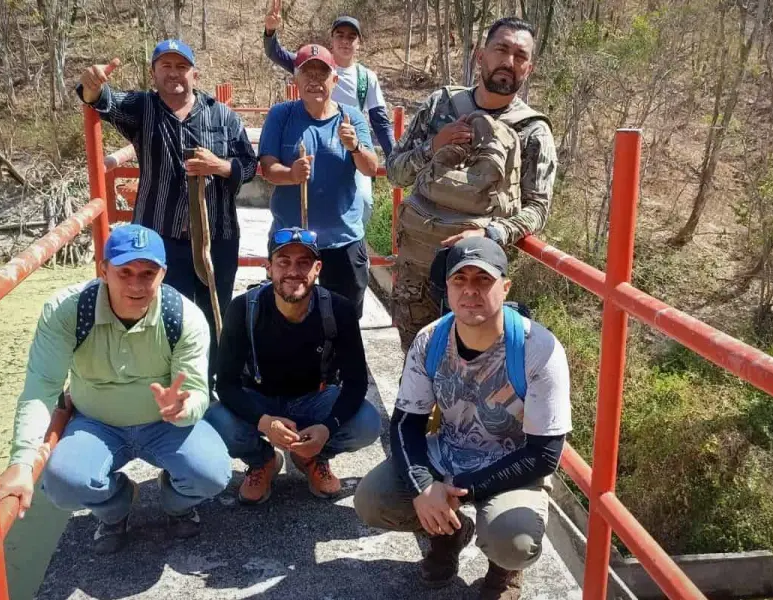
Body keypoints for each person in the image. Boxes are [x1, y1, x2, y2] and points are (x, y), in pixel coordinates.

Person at [354, 237, 571, 600]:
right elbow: (407, 423)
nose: (470, 291)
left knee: (515, 540)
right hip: (449, 452)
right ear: (448, 288)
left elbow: (545, 454)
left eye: (483, 280)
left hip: (514, 464)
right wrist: (425, 486)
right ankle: (450, 533)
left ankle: (504, 571)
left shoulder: (538, 349)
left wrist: (462, 490)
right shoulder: (430, 341)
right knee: (373, 500)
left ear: (505, 286)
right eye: (460, 280)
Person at [0, 225, 232, 555]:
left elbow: (195, 390)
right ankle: (116, 507)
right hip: (95, 423)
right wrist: (21, 462)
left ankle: (175, 503)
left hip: (163, 424)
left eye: (148, 273)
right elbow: (41, 388)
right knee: (61, 485)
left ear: (163, 274)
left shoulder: (185, 317)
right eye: (125, 272)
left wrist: (182, 408)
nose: (136, 284)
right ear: (103, 270)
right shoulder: (68, 311)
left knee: (213, 474)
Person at [77, 40, 259, 369]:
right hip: (159, 239)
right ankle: (164, 380)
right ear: (154, 73)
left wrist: (218, 166)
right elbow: (102, 101)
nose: (174, 74)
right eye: (166, 66)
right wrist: (91, 86)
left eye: (181, 67)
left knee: (215, 311)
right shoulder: (141, 108)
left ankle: (212, 383)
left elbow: (249, 166)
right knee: (162, 312)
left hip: (217, 236)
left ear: (195, 74)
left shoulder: (222, 115)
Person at [386, 17, 558, 350]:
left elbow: (538, 209)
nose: (509, 62)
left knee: (471, 374)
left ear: (529, 67)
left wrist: (491, 233)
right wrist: (433, 147)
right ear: (481, 56)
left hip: (478, 281)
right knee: (416, 361)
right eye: (501, 50)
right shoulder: (440, 105)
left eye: (520, 56)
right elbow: (395, 172)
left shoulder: (533, 132)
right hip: (416, 273)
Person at [204, 227, 381, 504]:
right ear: (268, 268)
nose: (293, 271)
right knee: (214, 421)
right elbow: (225, 382)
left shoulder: (339, 310)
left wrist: (328, 427)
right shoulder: (243, 309)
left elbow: (356, 382)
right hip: (259, 399)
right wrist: (264, 422)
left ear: (317, 268)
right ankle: (262, 461)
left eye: (304, 263)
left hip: (313, 399)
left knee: (367, 423)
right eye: (283, 262)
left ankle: (311, 457)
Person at [258, 45, 380, 319]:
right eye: (307, 73)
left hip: (343, 242)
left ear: (334, 80)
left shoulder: (351, 118)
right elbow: (267, 168)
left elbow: (371, 168)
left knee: (344, 320)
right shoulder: (281, 115)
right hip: (292, 241)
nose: (314, 81)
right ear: (295, 80)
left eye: (321, 74)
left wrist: (355, 146)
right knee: (291, 317)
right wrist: (291, 175)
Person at [263, 8, 396, 158]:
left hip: (349, 152)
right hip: (312, 144)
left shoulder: (367, 77)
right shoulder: (308, 63)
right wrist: (270, 30)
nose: (345, 41)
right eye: (340, 36)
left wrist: (394, 160)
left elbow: (380, 123)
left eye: (351, 37)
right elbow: (274, 53)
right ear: (331, 39)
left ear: (359, 43)